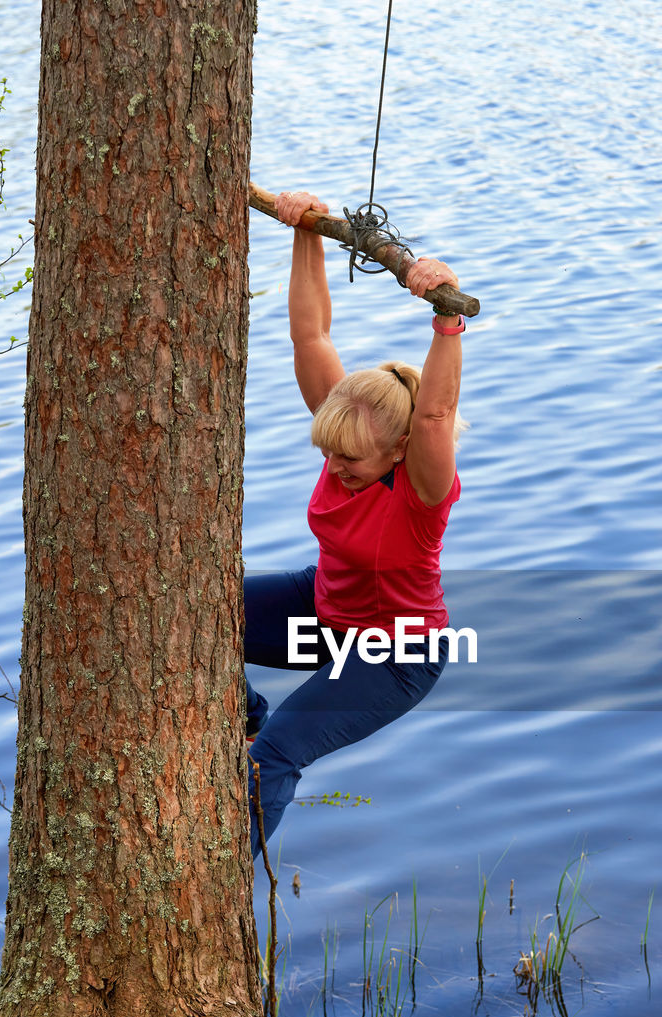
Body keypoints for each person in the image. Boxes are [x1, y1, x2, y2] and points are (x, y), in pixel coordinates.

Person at [246, 189, 465, 858]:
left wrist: (447, 314)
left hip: (395, 655)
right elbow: (310, 334)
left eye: (347, 459)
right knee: (191, 610)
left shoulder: (420, 490)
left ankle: (217, 887)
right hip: (326, 610)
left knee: (277, 755)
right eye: (325, 452)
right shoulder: (346, 433)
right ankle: (242, 720)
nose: (333, 466)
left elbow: (432, 417)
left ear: (396, 451)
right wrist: (304, 231)